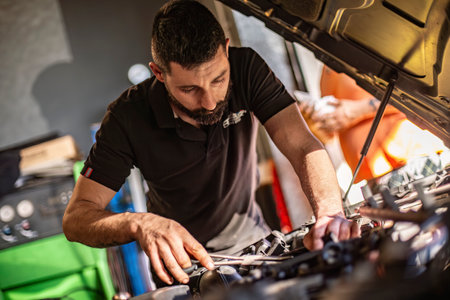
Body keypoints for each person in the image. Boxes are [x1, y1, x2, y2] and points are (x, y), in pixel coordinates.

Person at [62, 0, 359, 287]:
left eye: (218, 79)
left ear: (226, 50)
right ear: (159, 73)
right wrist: (140, 223)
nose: (209, 101)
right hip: (185, 270)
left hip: (258, 247)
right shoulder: (127, 117)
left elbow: (302, 145)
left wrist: (330, 212)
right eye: (189, 88)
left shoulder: (246, 69)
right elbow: (76, 218)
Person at [301, 65, 446, 183]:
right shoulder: (326, 71)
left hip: (408, 157)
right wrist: (315, 122)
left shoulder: (368, 45)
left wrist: (355, 111)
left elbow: (414, 95)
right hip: (371, 174)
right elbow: (332, 134)